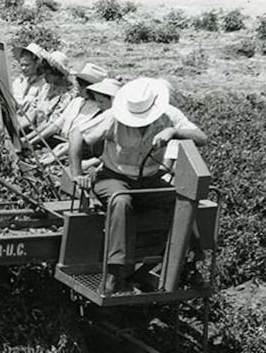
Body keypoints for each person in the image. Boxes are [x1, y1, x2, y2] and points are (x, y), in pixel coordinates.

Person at [69, 78, 208, 293]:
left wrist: (173, 132)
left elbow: (201, 137)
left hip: (150, 179)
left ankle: (189, 263)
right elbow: (77, 134)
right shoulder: (114, 118)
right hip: (113, 177)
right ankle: (115, 272)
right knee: (121, 201)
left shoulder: (169, 116)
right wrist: (77, 174)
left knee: (182, 201)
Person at [30, 78, 121, 167]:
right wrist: (54, 154)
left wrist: (84, 164)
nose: (99, 105)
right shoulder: (78, 102)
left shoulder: (108, 119)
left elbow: (109, 155)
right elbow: (74, 137)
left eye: (101, 101)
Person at [21, 51, 73, 129]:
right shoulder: (46, 88)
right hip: (36, 133)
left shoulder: (68, 95)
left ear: (57, 74)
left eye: (47, 73)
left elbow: (53, 123)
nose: (44, 76)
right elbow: (33, 112)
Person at [11, 43, 49, 117]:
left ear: (36, 64)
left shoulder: (43, 85)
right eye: (22, 65)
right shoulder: (18, 82)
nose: (23, 68)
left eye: (27, 65)